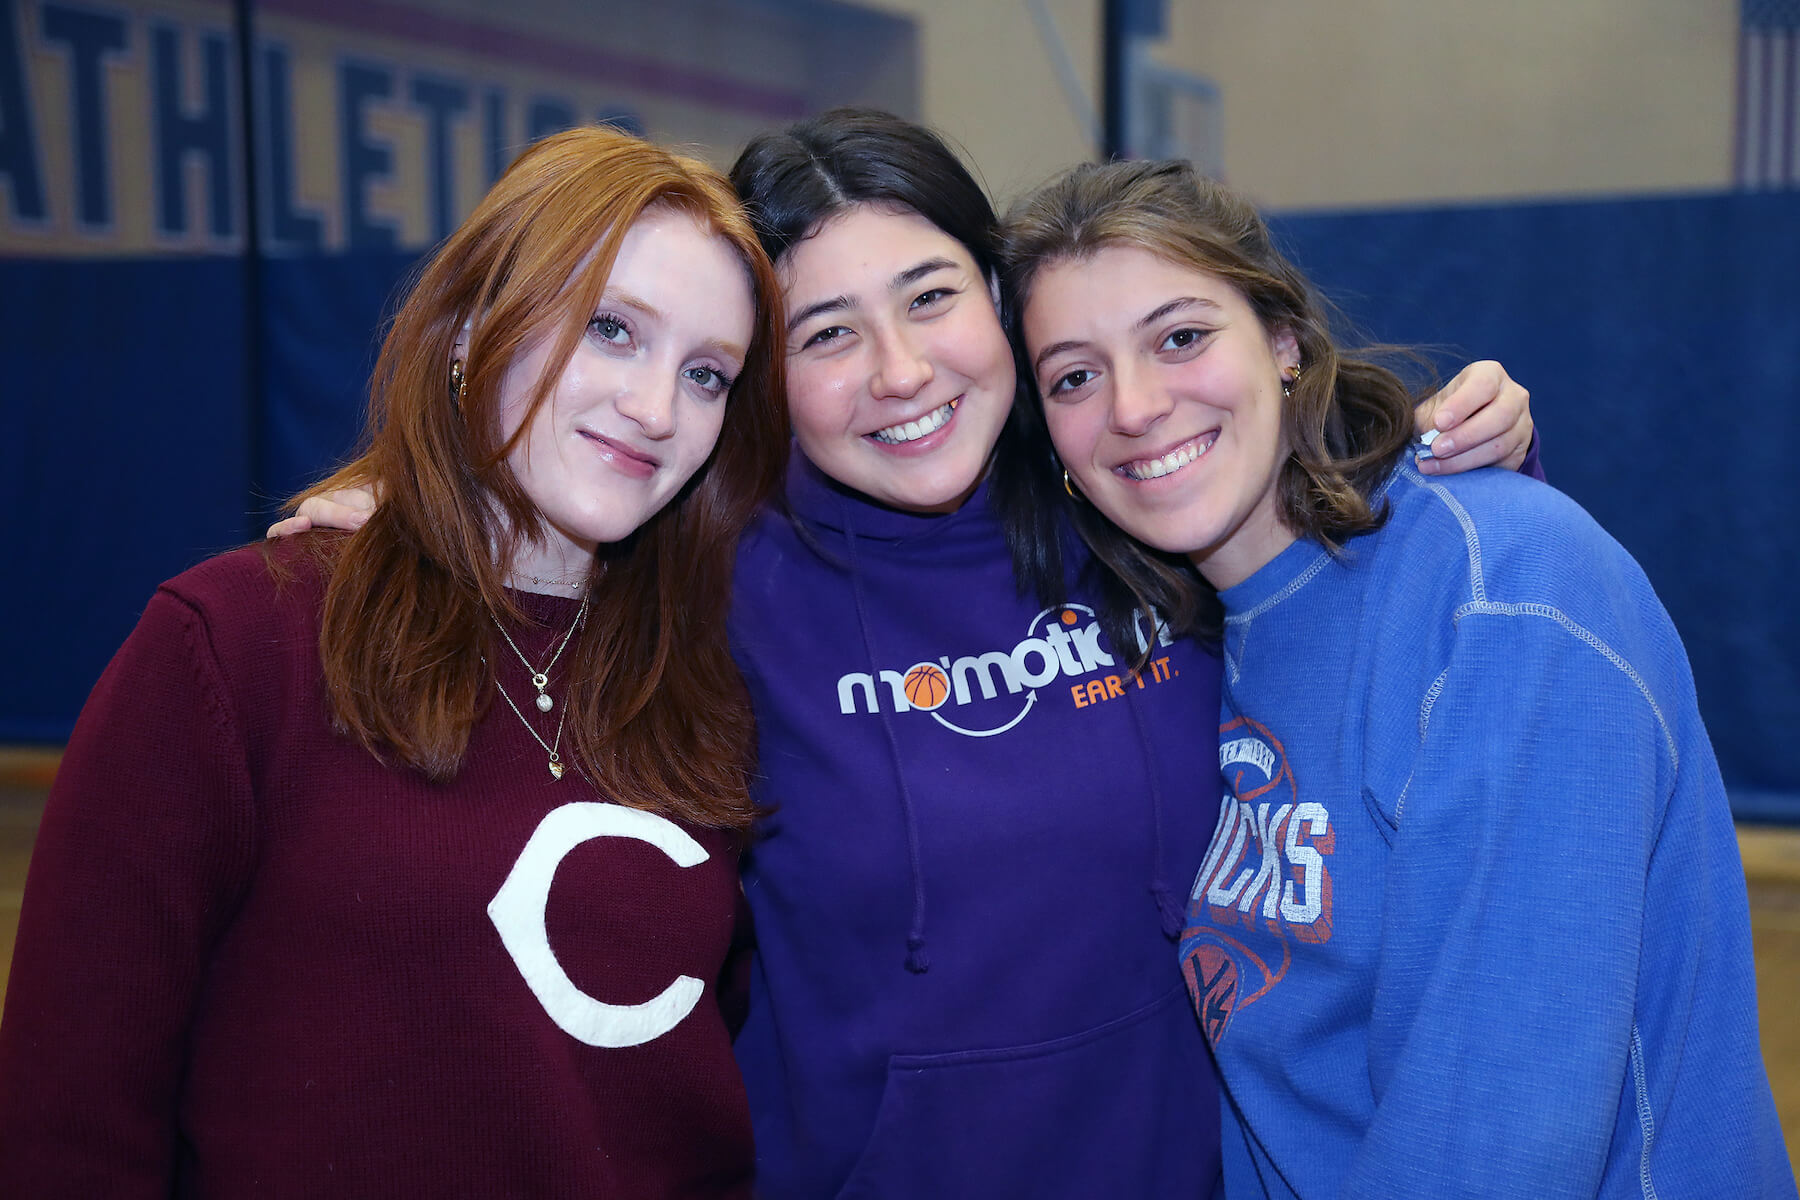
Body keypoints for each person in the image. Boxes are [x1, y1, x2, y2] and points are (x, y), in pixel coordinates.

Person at [274, 109, 1538, 1197]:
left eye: (931, 298)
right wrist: (436, 511)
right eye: (824, 334)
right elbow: (542, 566)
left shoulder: (1134, 498)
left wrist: (1458, 460)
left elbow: (1333, 546)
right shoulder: (704, 581)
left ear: (998, 297)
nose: (900, 371)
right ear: (763, 374)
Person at [0, 126, 789, 1197]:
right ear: (468, 328)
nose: (656, 409)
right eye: (610, 329)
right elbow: (70, 1114)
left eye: (707, 374)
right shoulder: (239, 643)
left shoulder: (710, 685)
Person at [1004, 157, 1795, 1198]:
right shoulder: (1183, 637)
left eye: (1181, 336)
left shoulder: (1504, 585)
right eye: (1074, 376)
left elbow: (1500, 1138)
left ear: (1283, 343)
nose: (1136, 406)